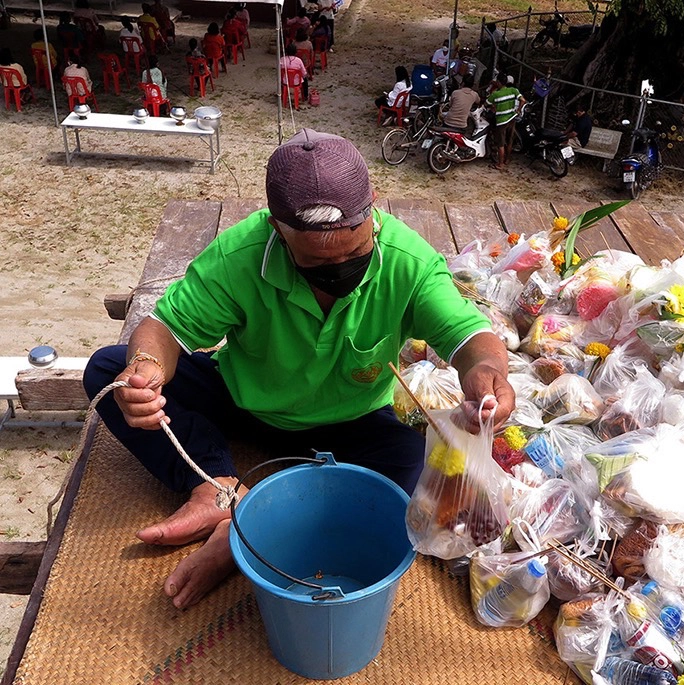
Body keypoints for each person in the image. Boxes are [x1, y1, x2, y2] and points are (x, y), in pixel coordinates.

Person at [82, 128, 514, 609]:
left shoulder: (408, 263)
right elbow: (163, 327)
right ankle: (216, 485)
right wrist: (145, 371)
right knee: (108, 369)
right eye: (316, 262)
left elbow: (470, 337)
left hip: (353, 424)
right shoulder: (239, 256)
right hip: (247, 401)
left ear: (372, 206)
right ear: (276, 228)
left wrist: (486, 369)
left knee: (418, 496)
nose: (339, 268)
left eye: (354, 253)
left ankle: (242, 536)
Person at [486, 74, 524, 171]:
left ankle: (500, 164)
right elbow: (523, 100)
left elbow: (487, 103)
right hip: (512, 118)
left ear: (498, 82)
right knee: (509, 140)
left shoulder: (496, 94)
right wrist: (518, 110)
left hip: (501, 121)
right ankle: (507, 159)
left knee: (500, 143)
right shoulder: (513, 90)